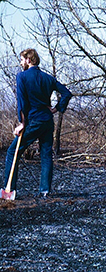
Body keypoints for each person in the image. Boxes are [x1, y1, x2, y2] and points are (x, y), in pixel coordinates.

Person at [2, 48, 72, 199]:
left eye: (22, 60)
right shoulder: (48, 78)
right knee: (46, 155)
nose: (20, 63)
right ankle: (45, 191)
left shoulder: (22, 76)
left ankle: (10, 190)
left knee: (12, 152)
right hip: (47, 121)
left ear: (29, 59)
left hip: (33, 120)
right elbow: (67, 93)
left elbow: (21, 101)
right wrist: (57, 109)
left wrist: (22, 123)